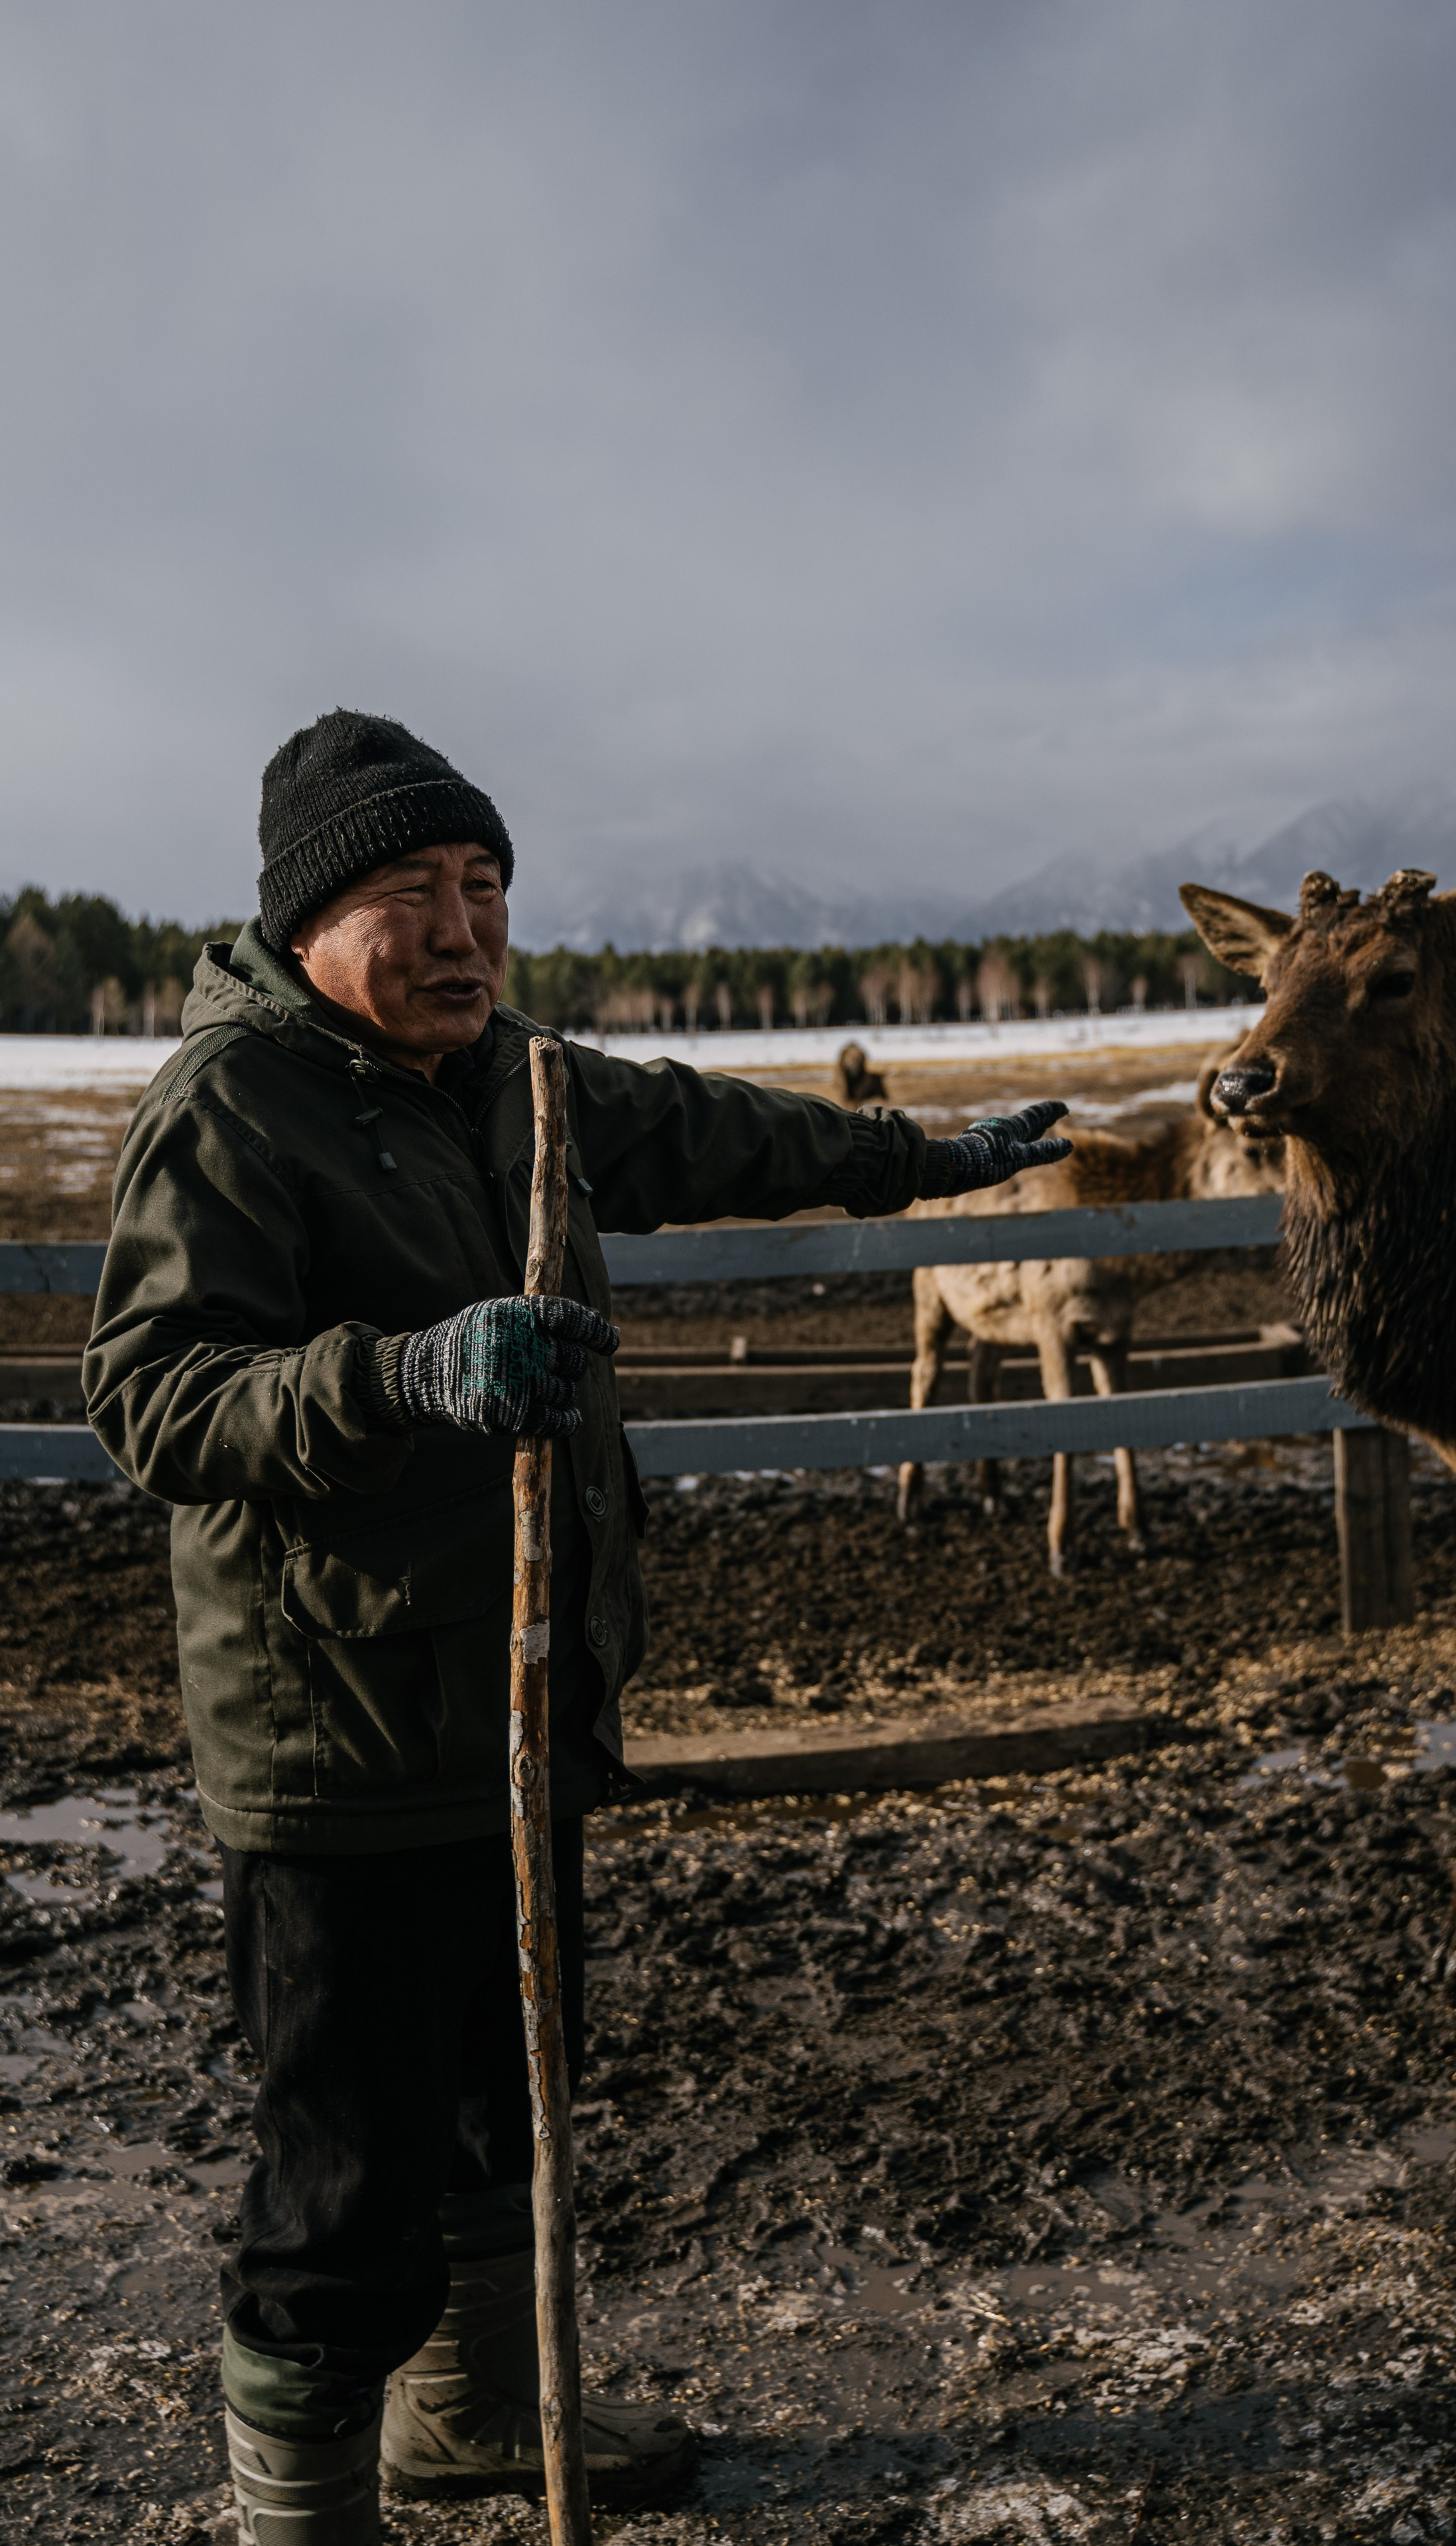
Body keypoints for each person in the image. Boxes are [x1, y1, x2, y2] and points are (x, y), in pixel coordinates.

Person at [84, 709, 1071, 2545]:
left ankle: (469, 2422)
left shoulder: (512, 1076)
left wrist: (917, 1160)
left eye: (485, 887)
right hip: (339, 1735)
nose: (464, 931)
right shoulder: (231, 1107)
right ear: (309, 919)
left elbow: (705, 1129)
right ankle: (302, 2517)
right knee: (344, 2184)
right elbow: (153, 1397)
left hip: (519, 1696)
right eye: (413, 890)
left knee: (503, 2098)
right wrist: (403, 1375)